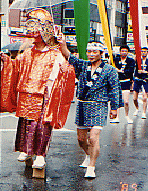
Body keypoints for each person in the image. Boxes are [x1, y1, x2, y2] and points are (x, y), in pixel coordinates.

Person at [0, 8, 75, 171]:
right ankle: (27, 151)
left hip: (44, 95)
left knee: (41, 126)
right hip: (26, 93)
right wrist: (5, 60)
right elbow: (15, 67)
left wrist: (64, 71)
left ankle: (40, 155)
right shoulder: (27, 53)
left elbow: (67, 71)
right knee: (25, 124)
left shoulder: (54, 54)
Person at [58, 39, 120, 178]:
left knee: (93, 137)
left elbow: (114, 89)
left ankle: (91, 166)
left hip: (99, 105)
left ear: (101, 53)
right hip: (82, 104)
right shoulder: (83, 65)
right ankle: (88, 154)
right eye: (89, 51)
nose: (91, 54)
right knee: (81, 139)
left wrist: (114, 108)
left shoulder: (109, 70)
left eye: (94, 52)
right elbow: (68, 56)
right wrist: (62, 44)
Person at [111, 45, 135, 124]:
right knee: (117, 100)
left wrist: (120, 71)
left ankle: (127, 116)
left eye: (125, 51)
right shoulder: (116, 59)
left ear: (128, 52)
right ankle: (117, 117)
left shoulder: (131, 60)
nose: (124, 53)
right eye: (122, 51)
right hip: (117, 82)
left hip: (126, 82)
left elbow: (130, 70)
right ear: (120, 51)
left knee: (126, 101)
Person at [133, 47, 148, 119]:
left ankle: (144, 112)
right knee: (134, 98)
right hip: (138, 79)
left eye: (144, 52)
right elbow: (134, 69)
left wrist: (145, 72)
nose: (143, 53)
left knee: (145, 97)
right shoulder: (138, 61)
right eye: (142, 52)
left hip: (146, 79)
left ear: (147, 52)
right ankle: (137, 108)